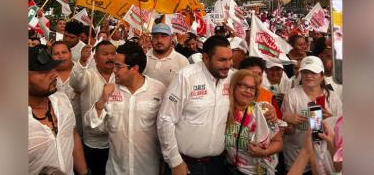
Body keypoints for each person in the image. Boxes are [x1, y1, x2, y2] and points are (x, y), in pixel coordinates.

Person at [84, 43, 166, 175]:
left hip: (148, 168)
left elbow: (165, 129)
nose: (113, 70)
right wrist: (101, 101)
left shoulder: (158, 90)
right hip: (116, 169)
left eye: (118, 66)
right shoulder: (110, 90)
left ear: (134, 68)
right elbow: (91, 124)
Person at [157, 35, 233, 175]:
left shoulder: (231, 78)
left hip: (218, 165)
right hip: (186, 165)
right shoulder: (186, 77)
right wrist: (175, 162)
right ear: (206, 58)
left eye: (230, 59)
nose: (228, 65)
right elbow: (165, 120)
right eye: (222, 60)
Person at [28, 45, 88, 175]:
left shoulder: (62, 100)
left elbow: (72, 135)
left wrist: (84, 172)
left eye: (53, 68)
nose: (54, 74)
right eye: (43, 71)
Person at [281, 56, 342, 174]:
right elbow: (288, 131)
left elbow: (342, 131)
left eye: (313, 72)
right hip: (297, 156)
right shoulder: (292, 95)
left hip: (325, 159)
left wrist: (331, 119)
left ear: (321, 75)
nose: (309, 75)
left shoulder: (332, 97)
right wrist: (287, 120)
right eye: (305, 72)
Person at [70, 40, 116, 175]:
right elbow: (75, 83)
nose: (110, 57)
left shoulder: (120, 76)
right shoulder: (88, 74)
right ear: (95, 58)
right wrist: (82, 61)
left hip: (116, 141)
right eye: (105, 54)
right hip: (92, 142)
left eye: (113, 54)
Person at [225, 69, 282, 175]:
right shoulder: (225, 110)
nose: (248, 91)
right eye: (243, 86)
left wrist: (264, 152)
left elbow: (278, 142)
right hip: (230, 169)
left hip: (260, 171)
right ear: (233, 87)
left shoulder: (263, 111)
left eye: (252, 88)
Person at [51, 41, 83, 136]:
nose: (61, 56)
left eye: (64, 52)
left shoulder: (83, 72)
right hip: (55, 135)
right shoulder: (46, 76)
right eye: (56, 53)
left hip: (80, 133)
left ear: (70, 53)